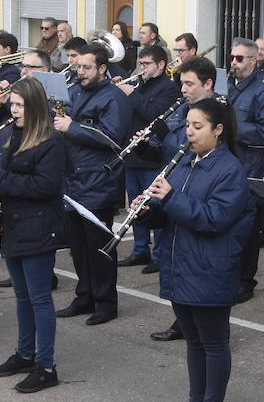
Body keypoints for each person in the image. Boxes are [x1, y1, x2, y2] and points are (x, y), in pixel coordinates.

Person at [138, 97, 252, 402]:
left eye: (197, 126)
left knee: (213, 342)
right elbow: (172, 212)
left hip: (210, 266)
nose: (189, 132)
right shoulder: (186, 161)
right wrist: (150, 210)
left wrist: (170, 198)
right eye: (187, 125)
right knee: (193, 340)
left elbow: (214, 219)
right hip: (180, 263)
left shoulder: (230, 170)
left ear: (218, 130)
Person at [0, 77, 68, 393]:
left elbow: (44, 187)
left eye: (19, 105)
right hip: (14, 225)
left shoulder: (51, 141)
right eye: (12, 104)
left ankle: (46, 366)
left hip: (38, 225)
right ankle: (24, 353)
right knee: (22, 296)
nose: (13, 110)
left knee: (39, 298)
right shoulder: (9, 134)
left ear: (34, 107)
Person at [147, 56, 219, 343]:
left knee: (198, 259)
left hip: (200, 188)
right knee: (174, 254)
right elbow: (168, 150)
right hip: (176, 181)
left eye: (189, 84)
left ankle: (211, 327)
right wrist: (149, 143)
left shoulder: (219, 113)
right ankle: (183, 321)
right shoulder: (182, 111)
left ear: (208, 84)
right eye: (182, 83)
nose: (183, 89)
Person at [55, 39, 127, 324]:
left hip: (99, 181)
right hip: (73, 180)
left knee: (99, 250)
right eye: (78, 66)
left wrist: (72, 127)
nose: (80, 71)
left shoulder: (114, 97)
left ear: (102, 68)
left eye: (86, 67)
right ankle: (84, 296)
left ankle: (106, 303)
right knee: (78, 247)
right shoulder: (76, 91)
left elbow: (112, 138)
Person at [116, 43, 181, 271]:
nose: (141, 68)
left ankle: (159, 255)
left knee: (154, 205)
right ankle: (139, 250)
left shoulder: (169, 89)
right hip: (133, 154)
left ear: (161, 65)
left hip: (152, 156)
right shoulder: (140, 84)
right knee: (136, 206)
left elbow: (155, 115)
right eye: (140, 64)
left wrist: (131, 94)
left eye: (146, 64)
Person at [227, 37, 264, 304]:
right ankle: (231, 276)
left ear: (253, 60)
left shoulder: (263, 92)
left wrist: (232, 127)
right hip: (229, 165)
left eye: (239, 58)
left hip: (251, 166)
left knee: (247, 229)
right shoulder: (230, 86)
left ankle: (245, 282)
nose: (234, 63)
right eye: (232, 57)